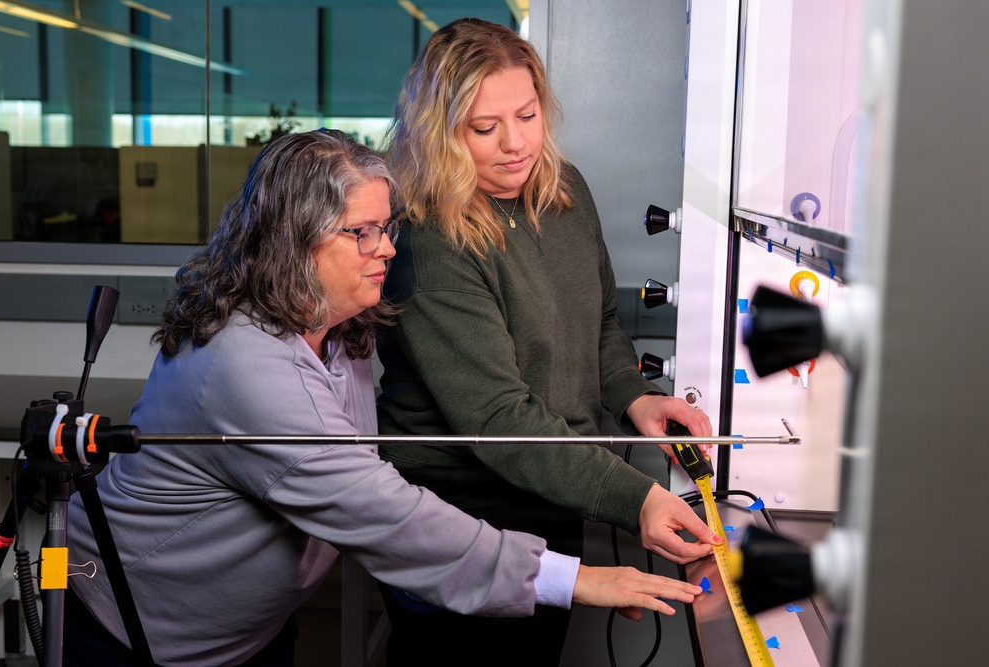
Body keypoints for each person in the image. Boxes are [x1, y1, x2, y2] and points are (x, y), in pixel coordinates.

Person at [60, 129, 703, 667]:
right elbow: (379, 510)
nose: (387, 248)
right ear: (293, 242)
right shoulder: (242, 363)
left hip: (245, 631)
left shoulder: (341, 328)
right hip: (133, 623)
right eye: (362, 232)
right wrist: (574, 579)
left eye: (387, 227)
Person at [375, 19, 722, 665]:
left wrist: (634, 397)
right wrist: (634, 496)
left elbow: (598, 327)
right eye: (484, 128)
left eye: (528, 116)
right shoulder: (430, 238)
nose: (516, 144)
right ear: (436, 132)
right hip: (458, 512)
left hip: (550, 490)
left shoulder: (564, 193)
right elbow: (497, 417)